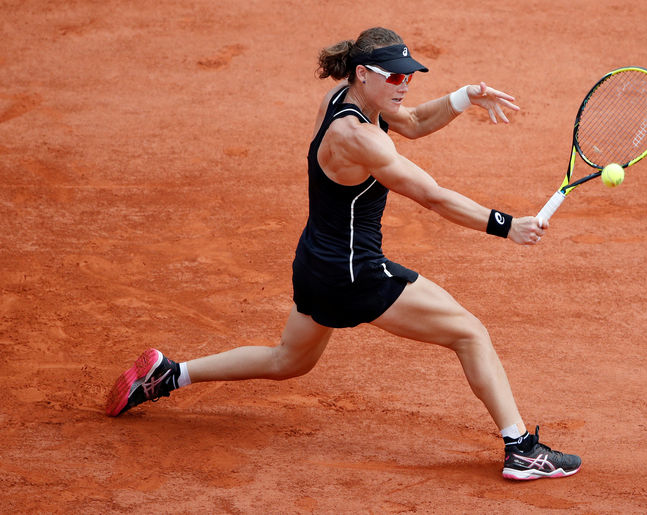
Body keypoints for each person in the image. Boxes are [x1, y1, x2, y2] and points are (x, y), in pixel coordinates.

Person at [105, 27, 580, 481]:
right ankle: (521, 449)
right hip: (356, 273)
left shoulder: (345, 102)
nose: (404, 84)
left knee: (287, 361)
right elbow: (432, 196)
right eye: (393, 76)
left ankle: (170, 375)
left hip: (316, 261)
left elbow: (413, 123)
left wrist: (463, 98)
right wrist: (506, 226)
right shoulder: (358, 137)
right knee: (470, 333)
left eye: (409, 75)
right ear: (362, 73)